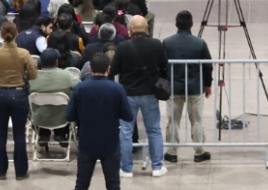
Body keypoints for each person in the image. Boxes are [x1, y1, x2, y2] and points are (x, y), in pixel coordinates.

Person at [110, 15, 169, 177]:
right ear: (147, 29)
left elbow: (114, 69)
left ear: (129, 30)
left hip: (128, 93)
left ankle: (126, 168)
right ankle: (157, 166)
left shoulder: (122, 47)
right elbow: (165, 68)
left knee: (126, 132)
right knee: (154, 130)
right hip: (150, 93)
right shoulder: (156, 45)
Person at [68, 53, 132, 190]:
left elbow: (69, 115)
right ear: (108, 69)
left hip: (86, 141)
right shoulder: (117, 89)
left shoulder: (80, 88)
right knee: (113, 184)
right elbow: (128, 116)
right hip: (110, 143)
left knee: (81, 184)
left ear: (90, 69)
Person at [0, 21, 38, 180]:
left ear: (2, 35)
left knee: (0, 134)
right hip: (19, 94)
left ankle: (0, 172)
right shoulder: (24, 53)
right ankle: (21, 172)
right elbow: (33, 74)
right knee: (19, 134)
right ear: (16, 34)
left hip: (0, 95)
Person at [161, 11, 213, 164]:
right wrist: (208, 84)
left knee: (173, 121)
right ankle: (199, 151)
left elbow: (162, 65)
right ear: (191, 24)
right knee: (196, 120)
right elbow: (208, 66)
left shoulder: (167, 42)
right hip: (194, 88)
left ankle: (171, 152)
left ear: (176, 24)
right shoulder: (200, 43)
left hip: (174, 88)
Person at [27, 49, 78, 157]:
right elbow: (79, 87)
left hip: (38, 119)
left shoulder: (31, 77)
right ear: (56, 62)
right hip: (63, 119)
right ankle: (61, 133)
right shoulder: (66, 75)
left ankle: (43, 134)